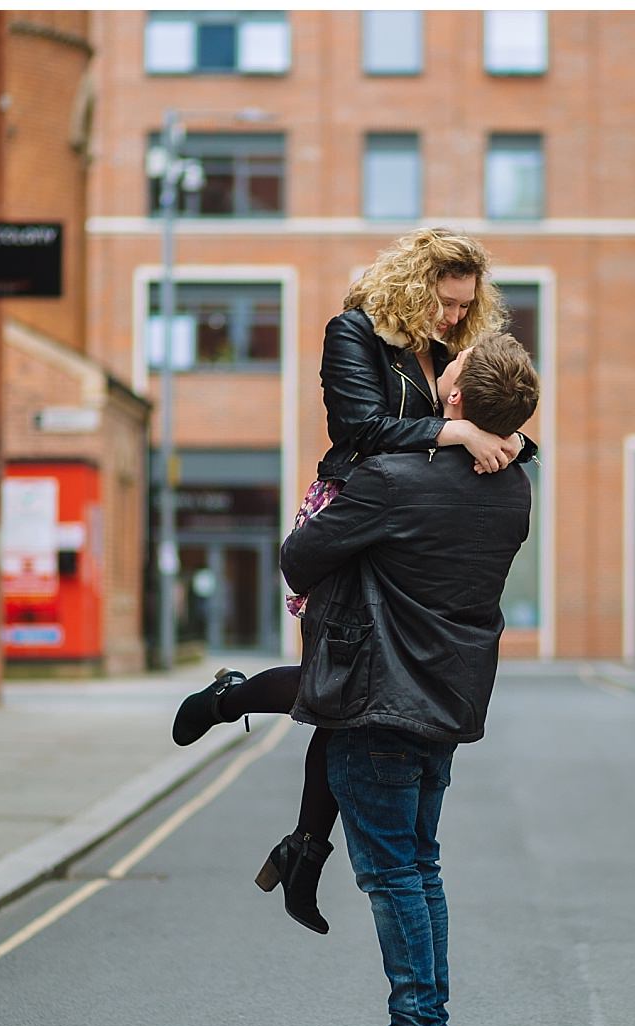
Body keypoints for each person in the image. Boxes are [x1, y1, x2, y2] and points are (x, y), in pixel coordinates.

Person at [169, 229, 537, 935]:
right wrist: (451, 434)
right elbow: (357, 425)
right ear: (414, 285)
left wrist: (512, 438)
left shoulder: (449, 351)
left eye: (466, 307)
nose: (456, 318)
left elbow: (492, 412)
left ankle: (304, 850)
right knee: (335, 682)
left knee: (349, 695)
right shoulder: (356, 331)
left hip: (407, 526)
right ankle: (232, 701)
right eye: (447, 303)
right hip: (350, 515)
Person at [282, 332, 539, 1026]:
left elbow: (300, 554)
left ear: (455, 402)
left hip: (377, 696)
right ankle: (426, 1024)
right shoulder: (515, 486)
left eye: (446, 375)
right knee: (418, 863)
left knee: (393, 871)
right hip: (447, 695)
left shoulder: (395, 479)